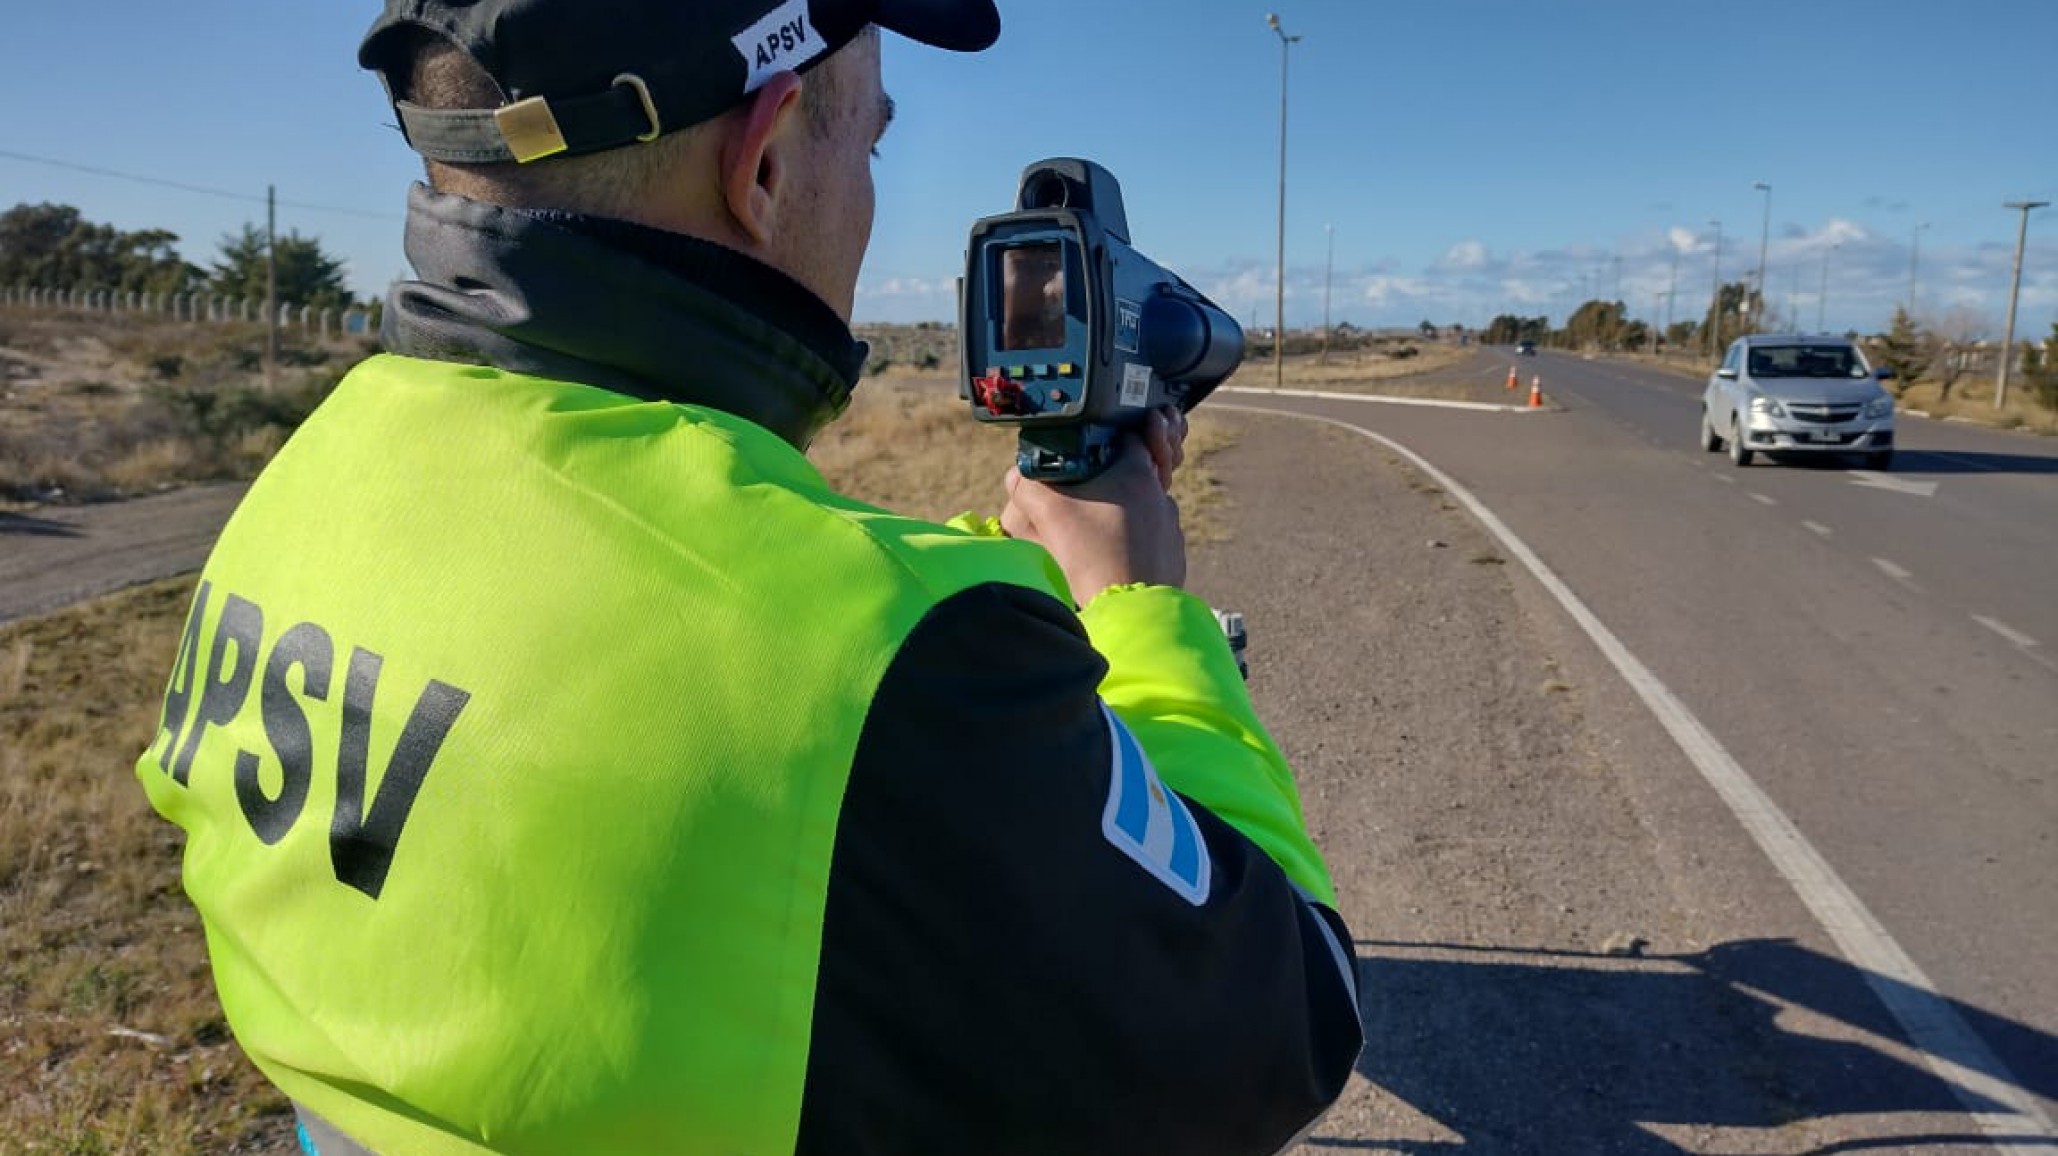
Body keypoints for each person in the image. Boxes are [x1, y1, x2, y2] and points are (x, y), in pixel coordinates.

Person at [133, 2, 1363, 1153]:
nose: (867, 195)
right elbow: (1287, 1017)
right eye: (869, 145)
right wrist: (1139, 612)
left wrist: (965, 596)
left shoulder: (300, 487)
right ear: (764, 164)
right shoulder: (892, 674)